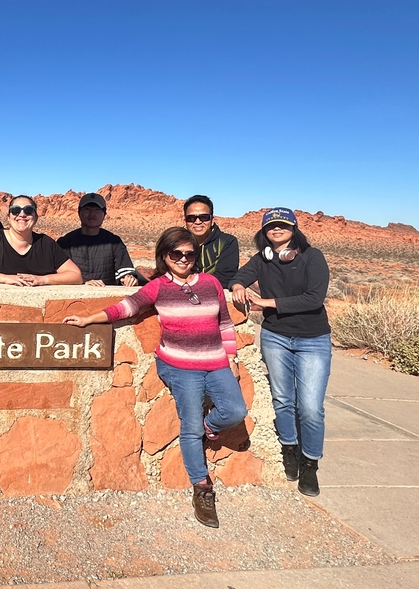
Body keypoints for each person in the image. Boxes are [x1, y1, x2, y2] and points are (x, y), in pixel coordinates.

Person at [63, 227, 246, 528]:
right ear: (165, 255)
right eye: (177, 253)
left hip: (215, 363)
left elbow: (225, 324)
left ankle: (208, 427)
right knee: (189, 428)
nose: (184, 259)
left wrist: (233, 358)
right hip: (179, 365)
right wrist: (89, 318)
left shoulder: (211, 283)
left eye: (189, 253)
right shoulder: (159, 286)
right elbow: (127, 306)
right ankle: (202, 488)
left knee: (235, 411)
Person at [231, 208, 331, 497]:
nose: (276, 230)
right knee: (283, 400)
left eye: (282, 226)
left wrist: (267, 302)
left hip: (312, 339)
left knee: (311, 407)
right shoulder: (263, 258)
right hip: (275, 337)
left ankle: (310, 462)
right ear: (264, 231)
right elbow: (239, 277)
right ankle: (289, 448)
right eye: (271, 226)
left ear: (294, 229)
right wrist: (238, 287)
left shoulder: (313, 257)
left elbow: (314, 298)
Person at [0, 195, 82, 286]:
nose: (22, 214)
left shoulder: (46, 243)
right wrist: (5, 278)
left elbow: (76, 275)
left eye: (28, 210)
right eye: (16, 210)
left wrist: (42, 280)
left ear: (36, 217)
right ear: (9, 217)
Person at [57, 192, 143, 287]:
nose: (92, 213)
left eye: (97, 210)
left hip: (107, 297)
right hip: (73, 296)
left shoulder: (114, 242)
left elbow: (124, 271)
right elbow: (59, 274)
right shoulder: (65, 242)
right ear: (79, 213)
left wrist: (129, 278)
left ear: (104, 214)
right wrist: (84, 284)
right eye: (87, 209)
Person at [183, 195, 239, 289]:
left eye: (204, 217)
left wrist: (189, 283)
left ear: (212, 220)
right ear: (185, 221)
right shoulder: (177, 242)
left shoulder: (227, 242)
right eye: (191, 218)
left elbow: (225, 278)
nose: (197, 222)